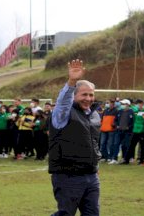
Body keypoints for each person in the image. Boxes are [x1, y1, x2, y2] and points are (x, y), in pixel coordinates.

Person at [49, 59, 101, 216]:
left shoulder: (94, 115)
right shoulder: (63, 114)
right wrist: (72, 81)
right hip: (68, 175)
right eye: (84, 94)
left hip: (91, 176)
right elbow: (63, 103)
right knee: (65, 214)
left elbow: (93, 143)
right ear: (74, 95)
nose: (88, 98)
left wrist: (95, 165)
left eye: (91, 95)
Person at [124, 99, 144, 165]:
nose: (139, 105)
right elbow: (134, 119)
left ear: (142, 104)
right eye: (138, 104)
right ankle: (127, 159)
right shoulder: (135, 111)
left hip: (142, 131)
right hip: (135, 130)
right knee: (131, 145)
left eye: (140, 104)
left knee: (142, 146)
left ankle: (141, 161)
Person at [113, 99, 134, 164]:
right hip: (119, 131)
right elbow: (115, 120)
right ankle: (117, 158)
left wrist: (129, 127)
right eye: (122, 104)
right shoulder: (119, 111)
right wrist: (117, 125)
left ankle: (128, 158)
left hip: (128, 132)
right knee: (118, 144)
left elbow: (133, 122)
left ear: (128, 105)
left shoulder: (131, 112)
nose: (122, 105)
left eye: (123, 104)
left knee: (126, 145)